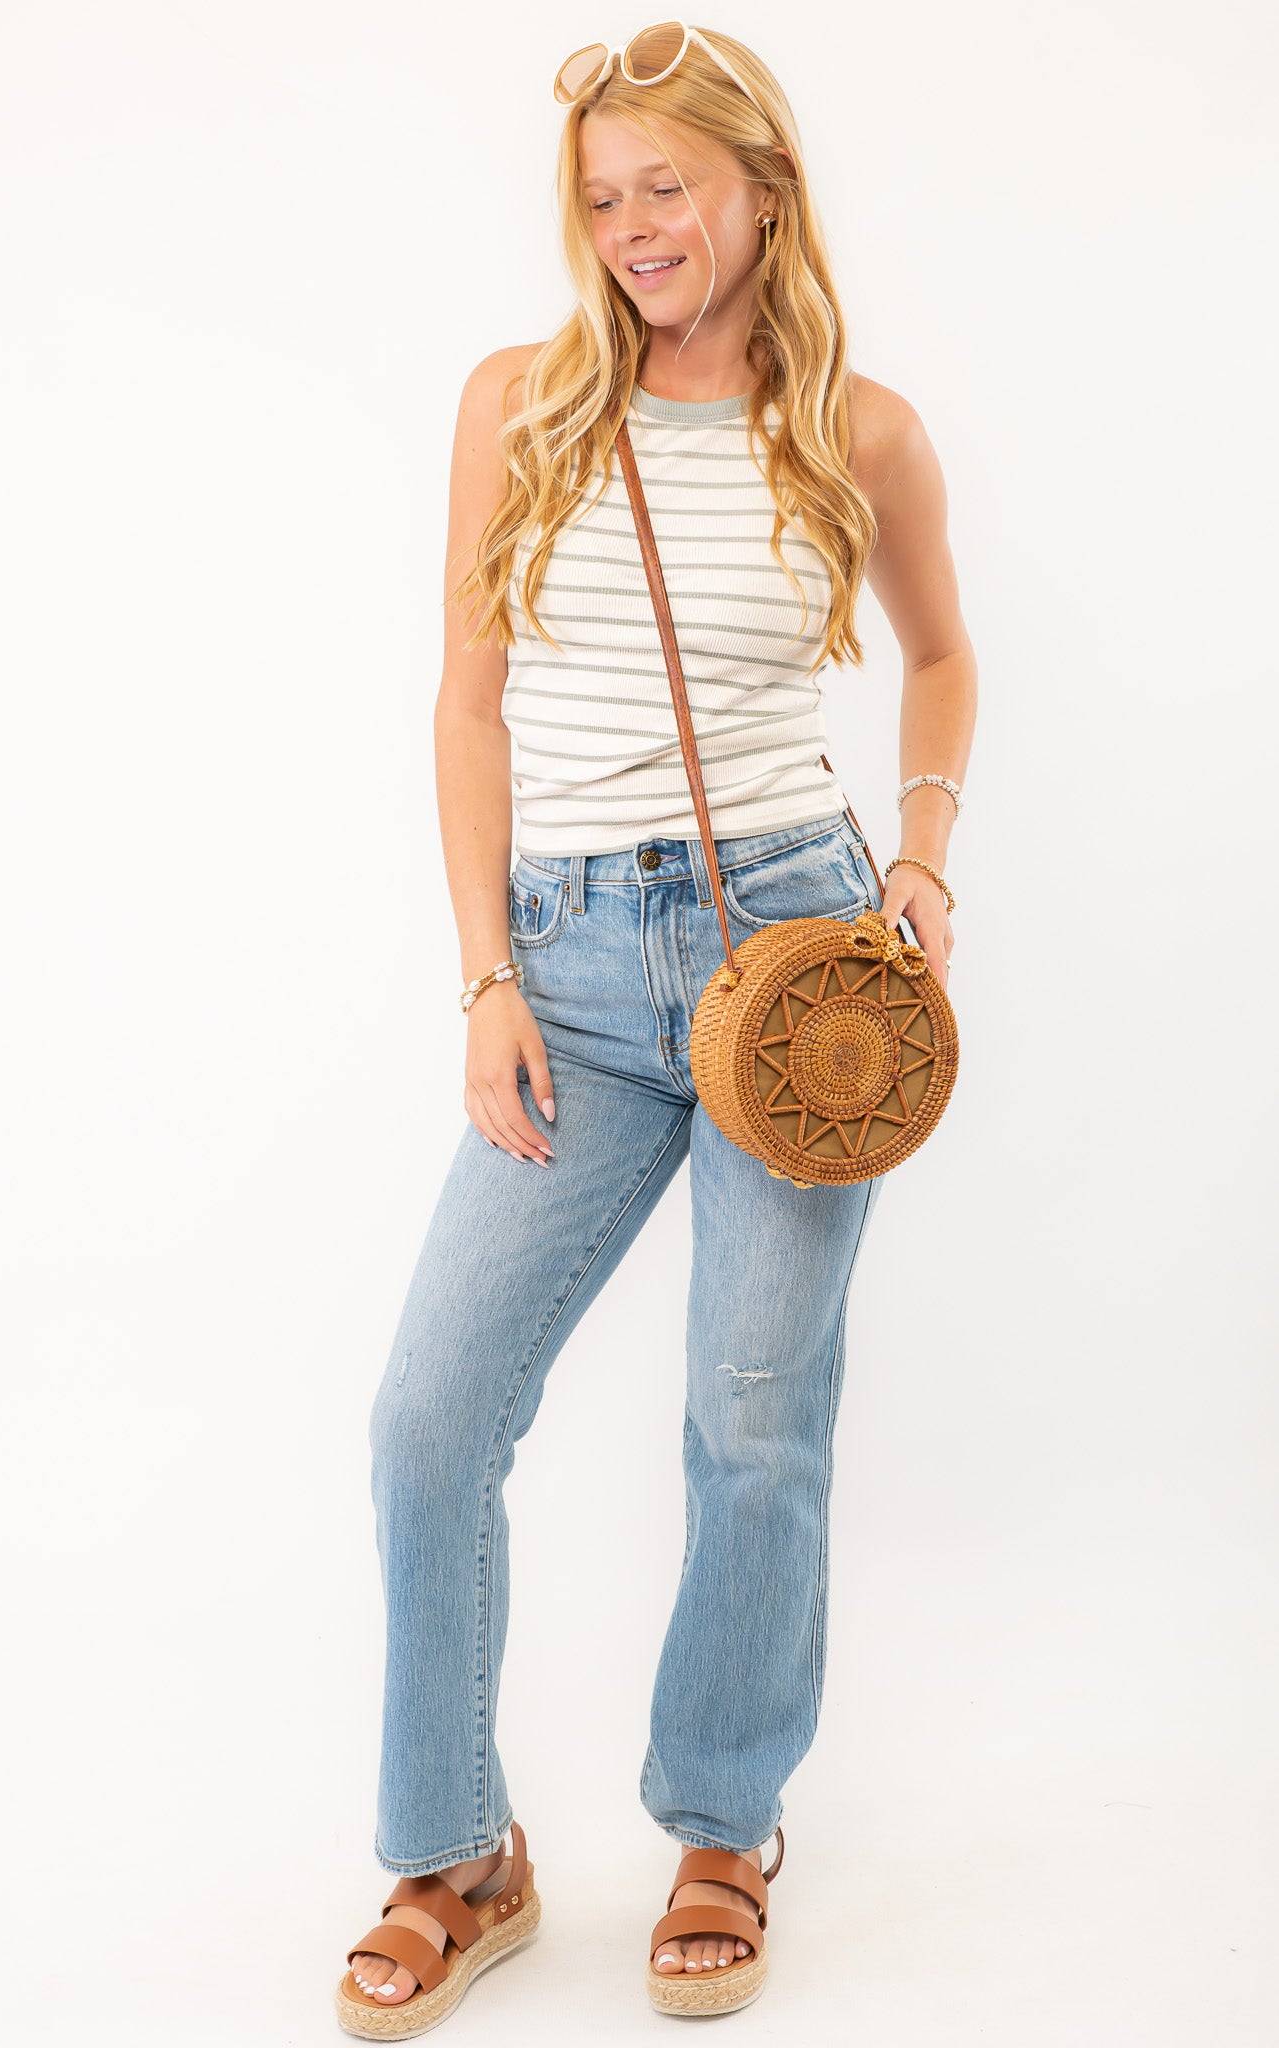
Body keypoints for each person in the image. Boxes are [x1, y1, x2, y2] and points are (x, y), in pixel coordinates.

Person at [335, 22, 975, 2035]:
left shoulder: (852, 428)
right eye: (601, 199)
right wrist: (485, 979)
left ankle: (722, 1818)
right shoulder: (511, 405)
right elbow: (464, 702)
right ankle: (458, 1846)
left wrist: (927, 859)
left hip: (793, 971)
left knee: (750, 1414)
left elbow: (944, 654)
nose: (631, 231)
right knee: (430, 1418)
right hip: (573, 976)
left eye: (666, 191)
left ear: (757, 192)